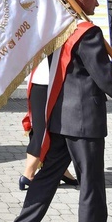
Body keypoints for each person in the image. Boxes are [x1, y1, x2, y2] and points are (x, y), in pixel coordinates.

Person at [6, 0, 112, 222]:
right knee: (91, 183)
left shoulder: (59, 28)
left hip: (60, 116)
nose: (98, 2)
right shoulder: (87, 32)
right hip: (84, 120)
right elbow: (106, 81)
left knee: (49, 175)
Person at [19, 57, 78, 191]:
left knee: (50, 129)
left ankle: (59, 170)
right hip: (49, 77)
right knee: (44, 131)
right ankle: (29, 173)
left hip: (47, 76)